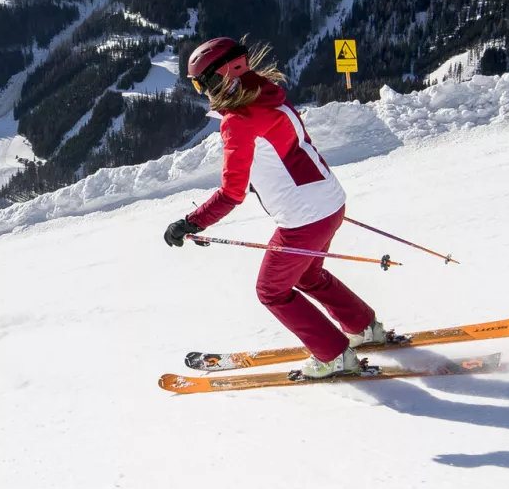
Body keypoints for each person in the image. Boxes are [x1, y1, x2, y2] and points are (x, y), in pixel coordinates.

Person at [162, 38, 387, 379]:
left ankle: (334, 356)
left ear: (218, 77)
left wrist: (190, 222)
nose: (200, 91)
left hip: (304, 217)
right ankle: (362, 327)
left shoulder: (238, 121)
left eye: (199, 83)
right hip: (329, 201)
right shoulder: (268, 94)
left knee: (271, 291)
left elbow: (231, 194)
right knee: (308, 275)